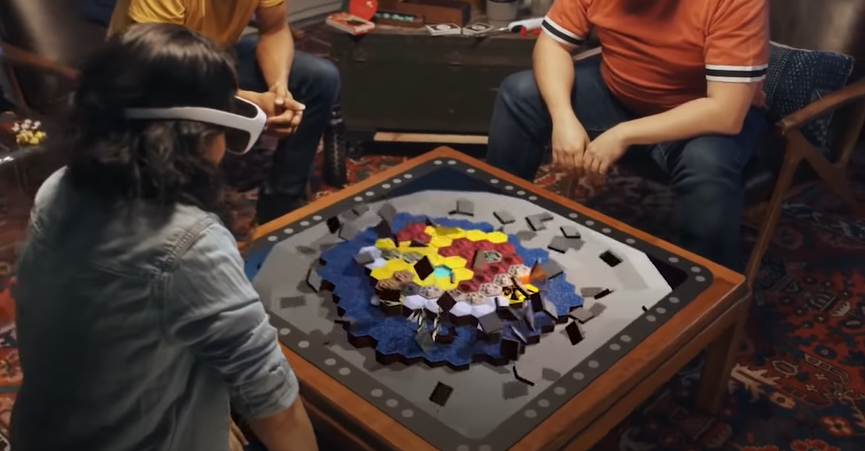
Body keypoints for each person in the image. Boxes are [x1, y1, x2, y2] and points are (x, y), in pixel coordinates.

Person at [10, 23, 318, 451]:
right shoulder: (191, 244)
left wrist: (209, 411)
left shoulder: (57, 187)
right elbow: (276, 408)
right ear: (195, 136)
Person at [486, 0, 770, 270]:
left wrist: (623, 134)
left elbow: (725, 112)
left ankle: (706, 285)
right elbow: (552, 44)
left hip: (701, 114)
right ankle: (495, 226)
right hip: (619, 96)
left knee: (706, 163)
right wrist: (563, 117)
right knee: (519, 94)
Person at [109, 0, 341, 223]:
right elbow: (162, 74)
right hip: (147, 79)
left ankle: (282, 202)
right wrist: (248, 103)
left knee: (320, 78)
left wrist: (279, 90)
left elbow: (275, 30)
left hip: (214, 59)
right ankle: (190, 215)